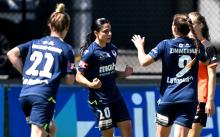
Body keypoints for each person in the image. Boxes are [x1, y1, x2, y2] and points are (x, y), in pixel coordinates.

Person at [131, 14, 208, 137]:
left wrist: (140, 46)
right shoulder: (198, 45)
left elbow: (143, 62)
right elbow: (206, 61)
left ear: (174, 28)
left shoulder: (165, 44)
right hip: (188, 99)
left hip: (168, 98)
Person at [7, 3, 75, 137]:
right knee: (37, 134)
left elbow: (11, 54)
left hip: (25, 95)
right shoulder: (66, 49)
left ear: (49, 25)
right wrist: (69, 70)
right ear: (67, 27)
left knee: (51, 130)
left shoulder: (35, 43)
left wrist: (25, 74)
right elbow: (69, 81)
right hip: (43, 97)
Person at [76, 18, 133, 137]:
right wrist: (91, 84)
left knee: (127, 127)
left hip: (115, 95)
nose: (109, 34)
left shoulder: (112, 49)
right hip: (100, 99)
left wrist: (124, 73)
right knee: (108, 133)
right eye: (106, 31)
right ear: (96, 33)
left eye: (110, 31)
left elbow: (110, 72)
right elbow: (78, 76)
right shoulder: (90, 52)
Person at [187, 12, 218, 137]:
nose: (188, 25)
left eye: (191, 23)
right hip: (182, 97)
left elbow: (212, 76)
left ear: (201, 25)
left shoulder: (208, 47)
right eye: (186, 22)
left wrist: (210, 100)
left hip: (200, 99)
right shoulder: (183, 45)